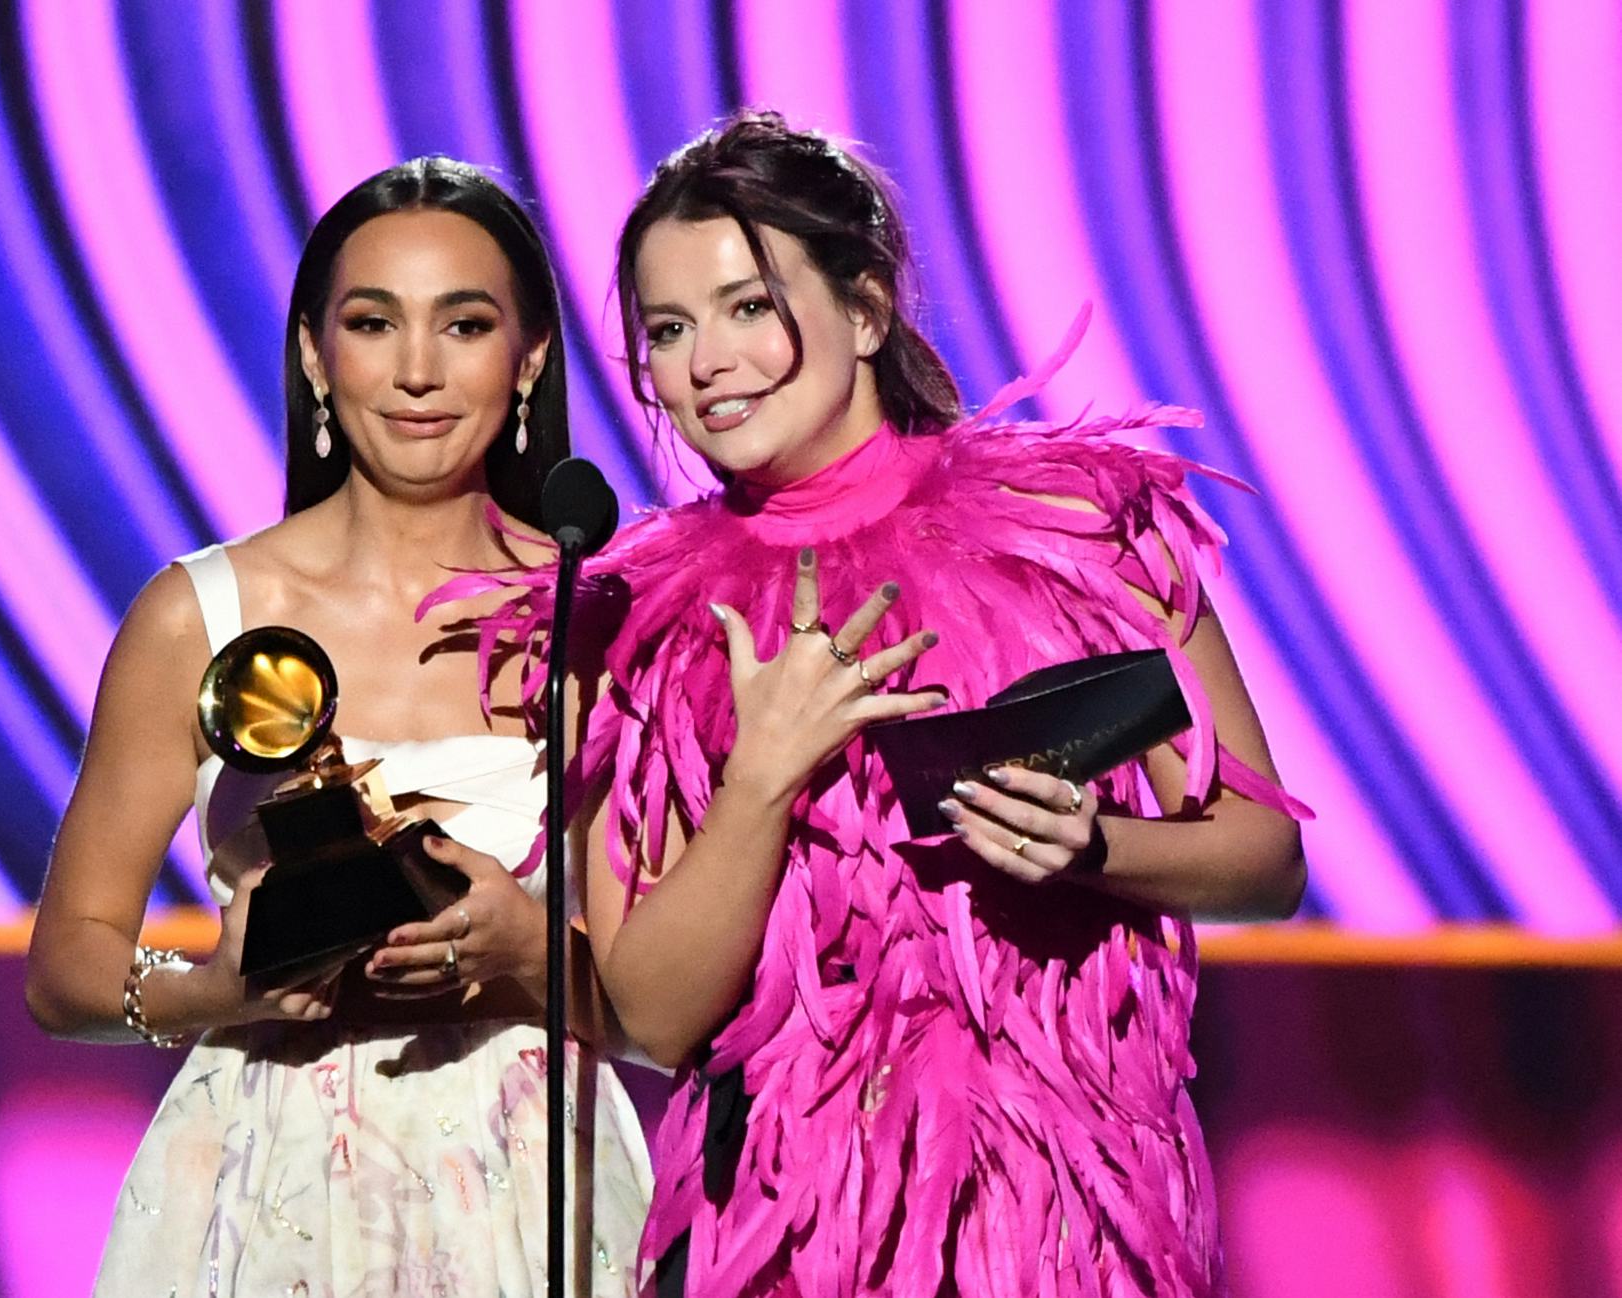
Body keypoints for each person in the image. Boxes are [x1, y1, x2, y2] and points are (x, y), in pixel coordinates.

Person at [456, 112, 1310, 1296]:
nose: (705, 362)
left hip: (1055, 1210)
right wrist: (759, 775)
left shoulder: (1076, 528)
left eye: (748, 305)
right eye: (666, 328)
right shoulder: (634, 620)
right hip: (780, 1224)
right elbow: (652, 1012)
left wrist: (1092, 845)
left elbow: (1263, 859)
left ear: (862, 310)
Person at [25, 156, 652, 1297]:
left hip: (530, 1187)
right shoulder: (196, 614)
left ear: (530, 359)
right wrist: (225, 987)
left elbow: (666, 1008)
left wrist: (524, 952)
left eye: (464, 324)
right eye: (373, 323)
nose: (417, 371)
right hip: (262, 1180)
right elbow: (66, 964)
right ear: (317, 355)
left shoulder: (596, 618)